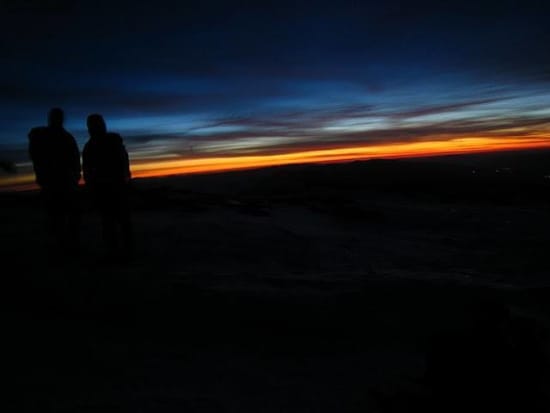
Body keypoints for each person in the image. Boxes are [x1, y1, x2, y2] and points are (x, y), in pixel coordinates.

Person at [28, 107, 81, 257]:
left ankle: (67, 247)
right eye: (57, 116)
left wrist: (75, 175)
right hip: (55, 183)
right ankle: (62, 247)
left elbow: (75, 158)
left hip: (62, 182)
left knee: (65, 217)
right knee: (57, 217)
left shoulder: (63, 137)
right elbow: (36, 157)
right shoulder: (46, 136)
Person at [82, 113, 134, 260]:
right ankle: (120, 250)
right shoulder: (96, 145)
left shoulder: (96, 145)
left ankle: (121, 251)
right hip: (108, 188)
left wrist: (125, 178)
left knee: (115, 222)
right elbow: (87, 170)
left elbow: (124, 163)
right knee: (114, 222)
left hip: (112, 187)